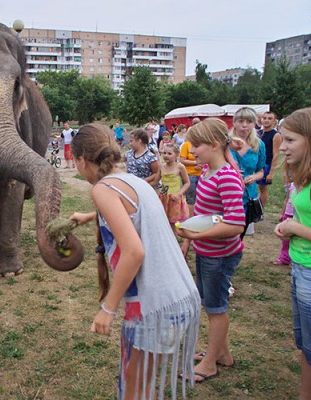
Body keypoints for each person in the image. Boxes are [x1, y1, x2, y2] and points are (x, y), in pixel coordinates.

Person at [68, 123, 200, 399]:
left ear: (81, 160)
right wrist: (90, 216)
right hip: (180, 297)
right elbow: (134, 215)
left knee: (134, 389)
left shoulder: (103, 189)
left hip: (155, 306)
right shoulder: (134, 181)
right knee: (142, 383)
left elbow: (133, 252)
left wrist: (109, 307)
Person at [176, 118, 245, 383]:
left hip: (219, 254)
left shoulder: (226, 177)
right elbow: (208, 213)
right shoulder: (207, 172)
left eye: (197, 146)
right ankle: (222, 354)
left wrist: (197, 234)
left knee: (216, 308)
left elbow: (236, 224)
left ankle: (209, 364)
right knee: (211, 304)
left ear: (215, 145)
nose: (191, 151)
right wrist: (190, 238)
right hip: (207, 250)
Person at [273, 107, 311, 400]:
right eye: (282, 139)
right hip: (302, 271)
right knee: (308, 347)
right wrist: (292, 227)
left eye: (290, 140)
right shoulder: (307, 175)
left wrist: (294, 227)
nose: (283, 146)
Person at [229, 107, 266, 237]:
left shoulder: (259, 145)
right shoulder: (225, 143)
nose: (244, 125)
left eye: (249, 121)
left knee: (240, 234)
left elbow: (261, 171)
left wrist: (254, 177)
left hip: (248, 196)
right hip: (227, 194)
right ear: (234, 122)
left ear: (254, 123)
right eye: (241, 121)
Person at [178, 139, 201, 256]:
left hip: (201, 174)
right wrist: (195, 164)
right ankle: (191, 221)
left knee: (199, 200)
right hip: (190, 174)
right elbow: (182, 160)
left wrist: (201, 165)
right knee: (191, 199)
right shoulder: (186, 145)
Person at [159, 143, 190, 230]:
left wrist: (179, 194)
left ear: (176, 155)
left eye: (169, 153)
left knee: (173, 222)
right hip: (164, 197)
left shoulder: (180, 167)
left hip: (174, 198)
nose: (166, 155)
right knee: (164, 221)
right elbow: (155, 180)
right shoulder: (161, 166)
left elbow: (187, 183)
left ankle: (174, 239)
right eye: (164, 153)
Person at [257, 111, 281, 208]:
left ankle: (261, 210)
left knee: (263, 188)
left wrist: (271, 173)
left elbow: (276, 155)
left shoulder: (275, 135)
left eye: (269, 118)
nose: (266, 120)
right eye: (265, 118)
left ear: (274, 121)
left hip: (266, 164)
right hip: (256, 164)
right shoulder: (258, 133)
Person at [274, 179, 295, 266]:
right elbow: (286, 200)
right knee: (285, 240)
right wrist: (282, 214)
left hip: (297, 217)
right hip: (288, 215)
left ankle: (293, 259)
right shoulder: (291, 185)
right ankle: (284, 258)